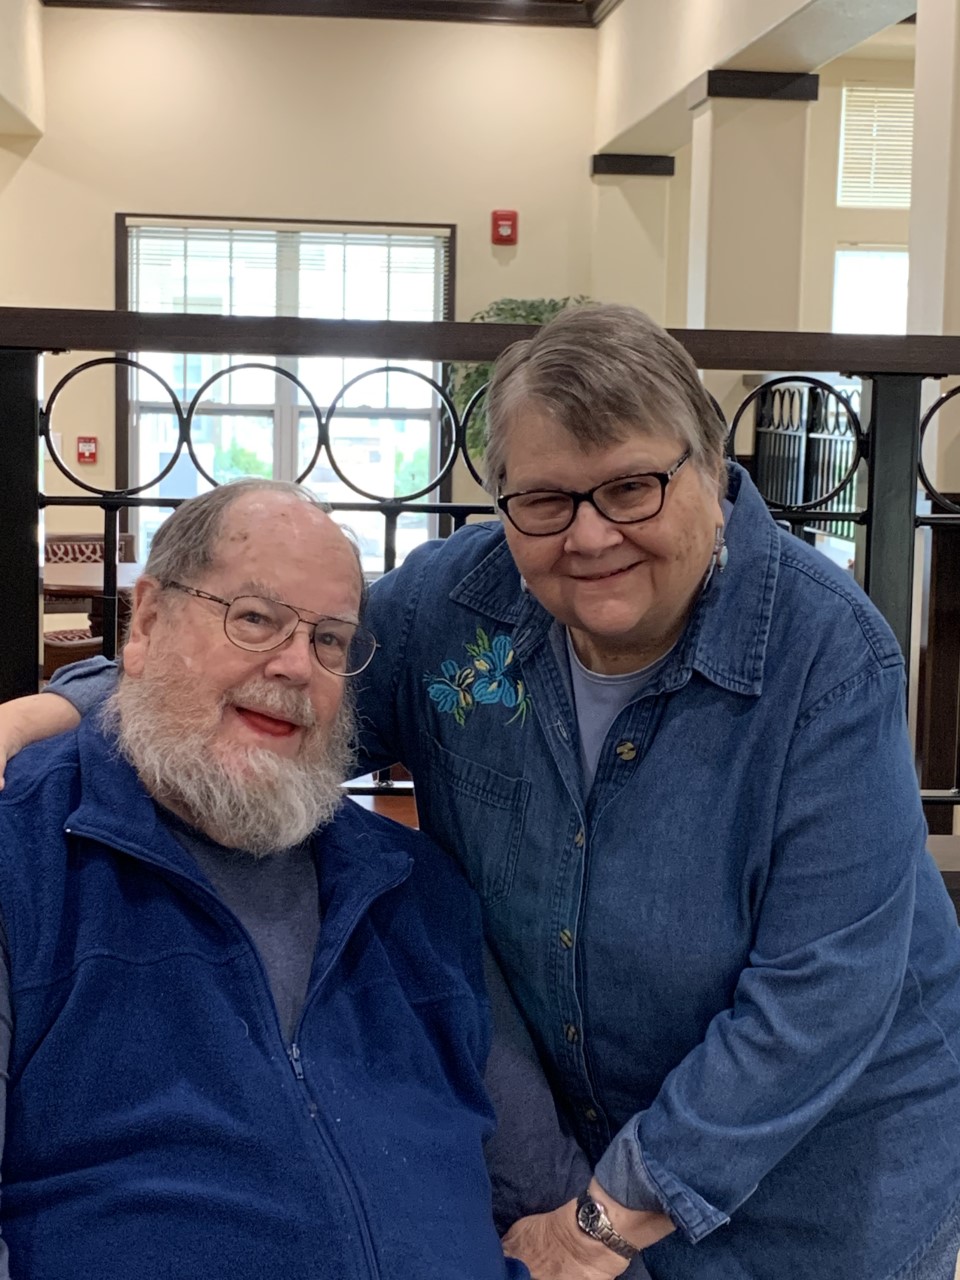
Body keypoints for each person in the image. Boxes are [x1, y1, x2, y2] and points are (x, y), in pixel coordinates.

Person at [5, 304, 960, 1279]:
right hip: (584, 1158)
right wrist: (64, 709)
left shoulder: (826, 655)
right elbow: (280, 684)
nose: (589, 537)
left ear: (711, 469)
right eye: (544, 499)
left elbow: (824, 992)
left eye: (632, 487)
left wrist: (601, 1218)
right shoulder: (458, 608)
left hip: (823, 1191)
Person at [0, 481, 539, 1280]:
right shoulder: (28, 854)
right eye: (254, 618)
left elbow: (543, 1177)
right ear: (145, 624)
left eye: (329, 640)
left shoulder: (411, 887)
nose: (294, 666)